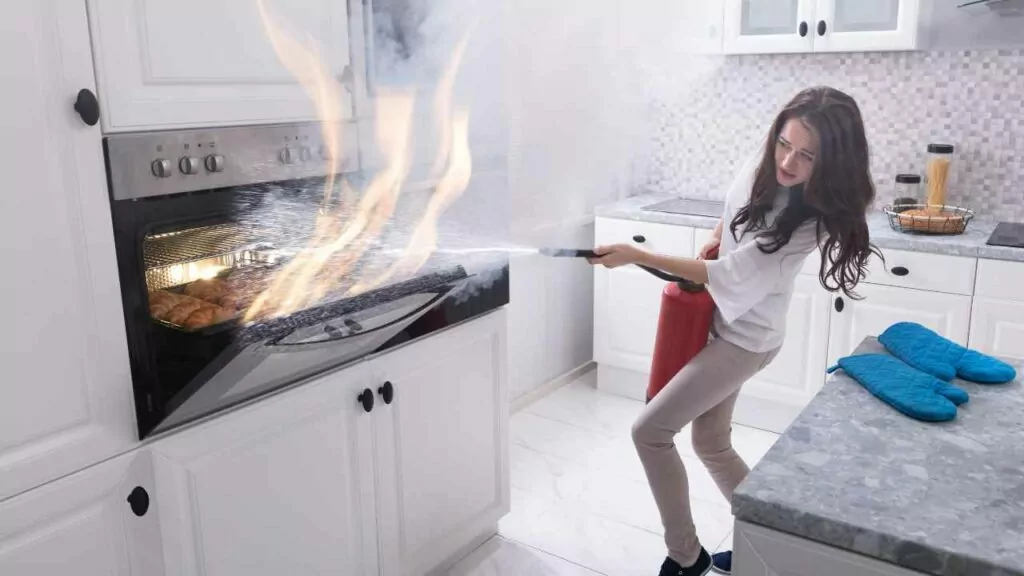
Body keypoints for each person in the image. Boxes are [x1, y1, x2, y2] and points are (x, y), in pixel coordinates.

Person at [588, 86, 879, 576]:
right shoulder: (765, 163)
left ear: (831, 164)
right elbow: (732, 215)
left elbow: (732, 274)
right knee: (711, 444)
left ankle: (685, 556)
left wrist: (637, 255)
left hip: (747, 341)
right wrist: (713, 236)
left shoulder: (809, 225)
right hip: (725, 323)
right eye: (784, 144)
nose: (788, 161)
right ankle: (772, 541)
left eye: (807, 156)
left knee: (650, 432)